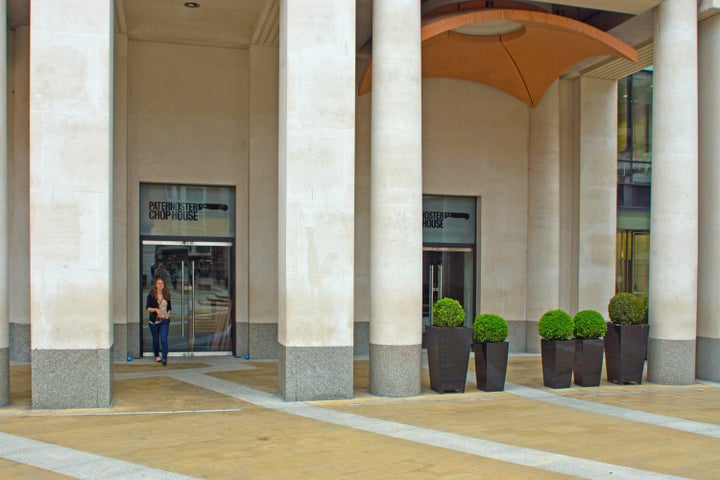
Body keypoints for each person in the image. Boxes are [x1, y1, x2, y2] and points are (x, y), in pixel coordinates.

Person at [146, 277, 172, 365]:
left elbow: (169, 308)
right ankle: (157, 355)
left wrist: (167, 316)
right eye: (158, 283)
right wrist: (156, 310)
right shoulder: (151, 295)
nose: (160, 285)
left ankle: (164, 358)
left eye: (162, 283)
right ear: (156, 285)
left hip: (164, 321)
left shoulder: (167, 294)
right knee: (156, 339)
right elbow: (148, 308)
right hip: (154, 322)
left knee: (164, 339)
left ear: (164, 285)